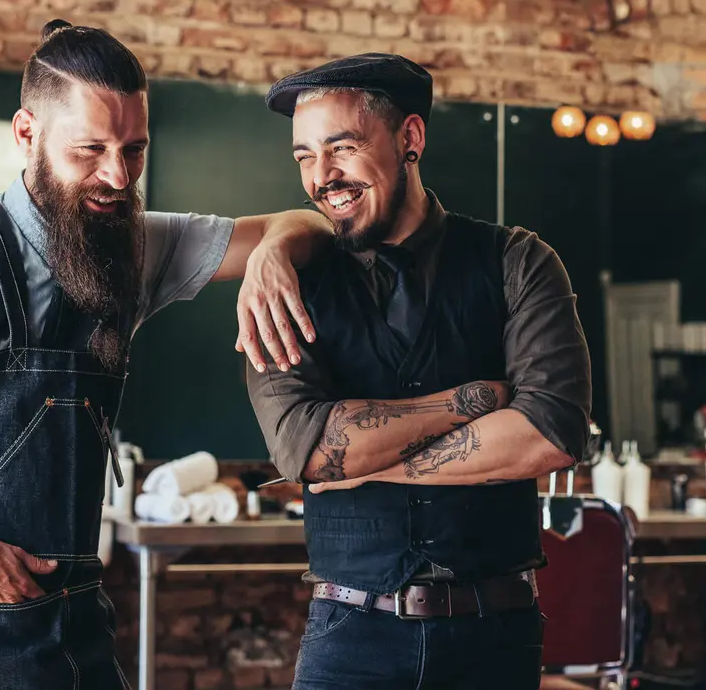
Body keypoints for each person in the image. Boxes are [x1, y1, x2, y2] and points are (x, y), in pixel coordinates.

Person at [0, 20, 332, 690]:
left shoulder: (137, 247)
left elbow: (311, 222)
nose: (117, 176)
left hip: (71, 626)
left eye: (134, 150)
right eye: (91, 150)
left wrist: (271, 256)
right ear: (26, 133)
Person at [243, 53, 593, 689]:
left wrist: (359, 468)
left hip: (495, 635)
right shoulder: (287, 288)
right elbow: (311, 449)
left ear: (409, 138)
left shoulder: (519, 261)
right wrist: (473, 401)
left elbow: (549, 430)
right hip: (349, 639)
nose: (321, 177)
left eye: (342, 148)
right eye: (303, 156)